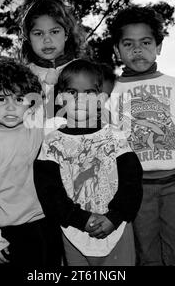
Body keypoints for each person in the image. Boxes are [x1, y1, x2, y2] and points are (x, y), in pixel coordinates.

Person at [109, 4, 175, 266]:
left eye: (145, 42)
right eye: (128, 44)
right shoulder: (111, 93)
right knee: (146, 255)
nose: (137, 49)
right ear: (117, 49)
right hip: (134, 188)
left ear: (159, 46)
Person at [33, 59, 143, 266]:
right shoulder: (52, 142)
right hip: (73, 231)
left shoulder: (116, 137)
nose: (81, 99)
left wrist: (115, 216)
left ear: (101, 98)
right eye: (73, 92)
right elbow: (49, 192)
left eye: (89, 93)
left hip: (117, 228)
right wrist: (80, 219)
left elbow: (132, 183)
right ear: (59, 98)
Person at [0, 57, 62, 267]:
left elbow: (50, 109)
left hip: (44, 225)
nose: (10, 107)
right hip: (7, 234)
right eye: (1, 99)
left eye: (18, 99)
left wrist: (50, 84)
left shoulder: (34, 129)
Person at [19, 0, 84, 117]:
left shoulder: (81, 71)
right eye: (38, 33)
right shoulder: (24, 76)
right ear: (28, 38)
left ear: (66, 34)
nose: (47, 40)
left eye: (54, 32)